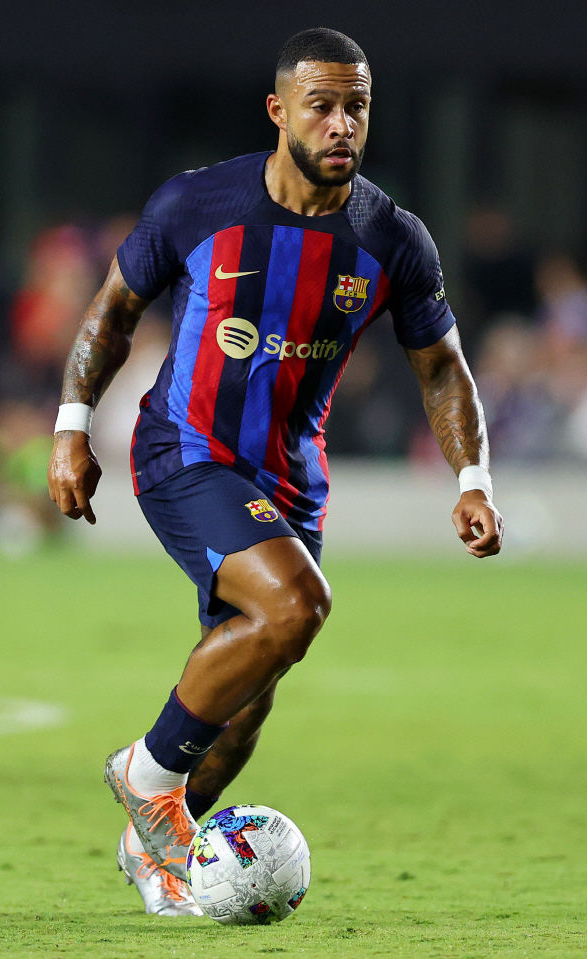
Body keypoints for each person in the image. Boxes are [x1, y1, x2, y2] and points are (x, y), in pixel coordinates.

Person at [47, 27, 504, 917]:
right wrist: (72, 427)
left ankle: (155, 853)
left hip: (291, 480)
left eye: (357, 107)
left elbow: (442, 368)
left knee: (244, 706)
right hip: (187, 451)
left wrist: (472, 479)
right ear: (279, 110)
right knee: (298, 606)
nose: (342, 124)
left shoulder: (392, 237)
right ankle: (145, 777)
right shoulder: (197, 202)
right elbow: (113, 310)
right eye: (322, 105)